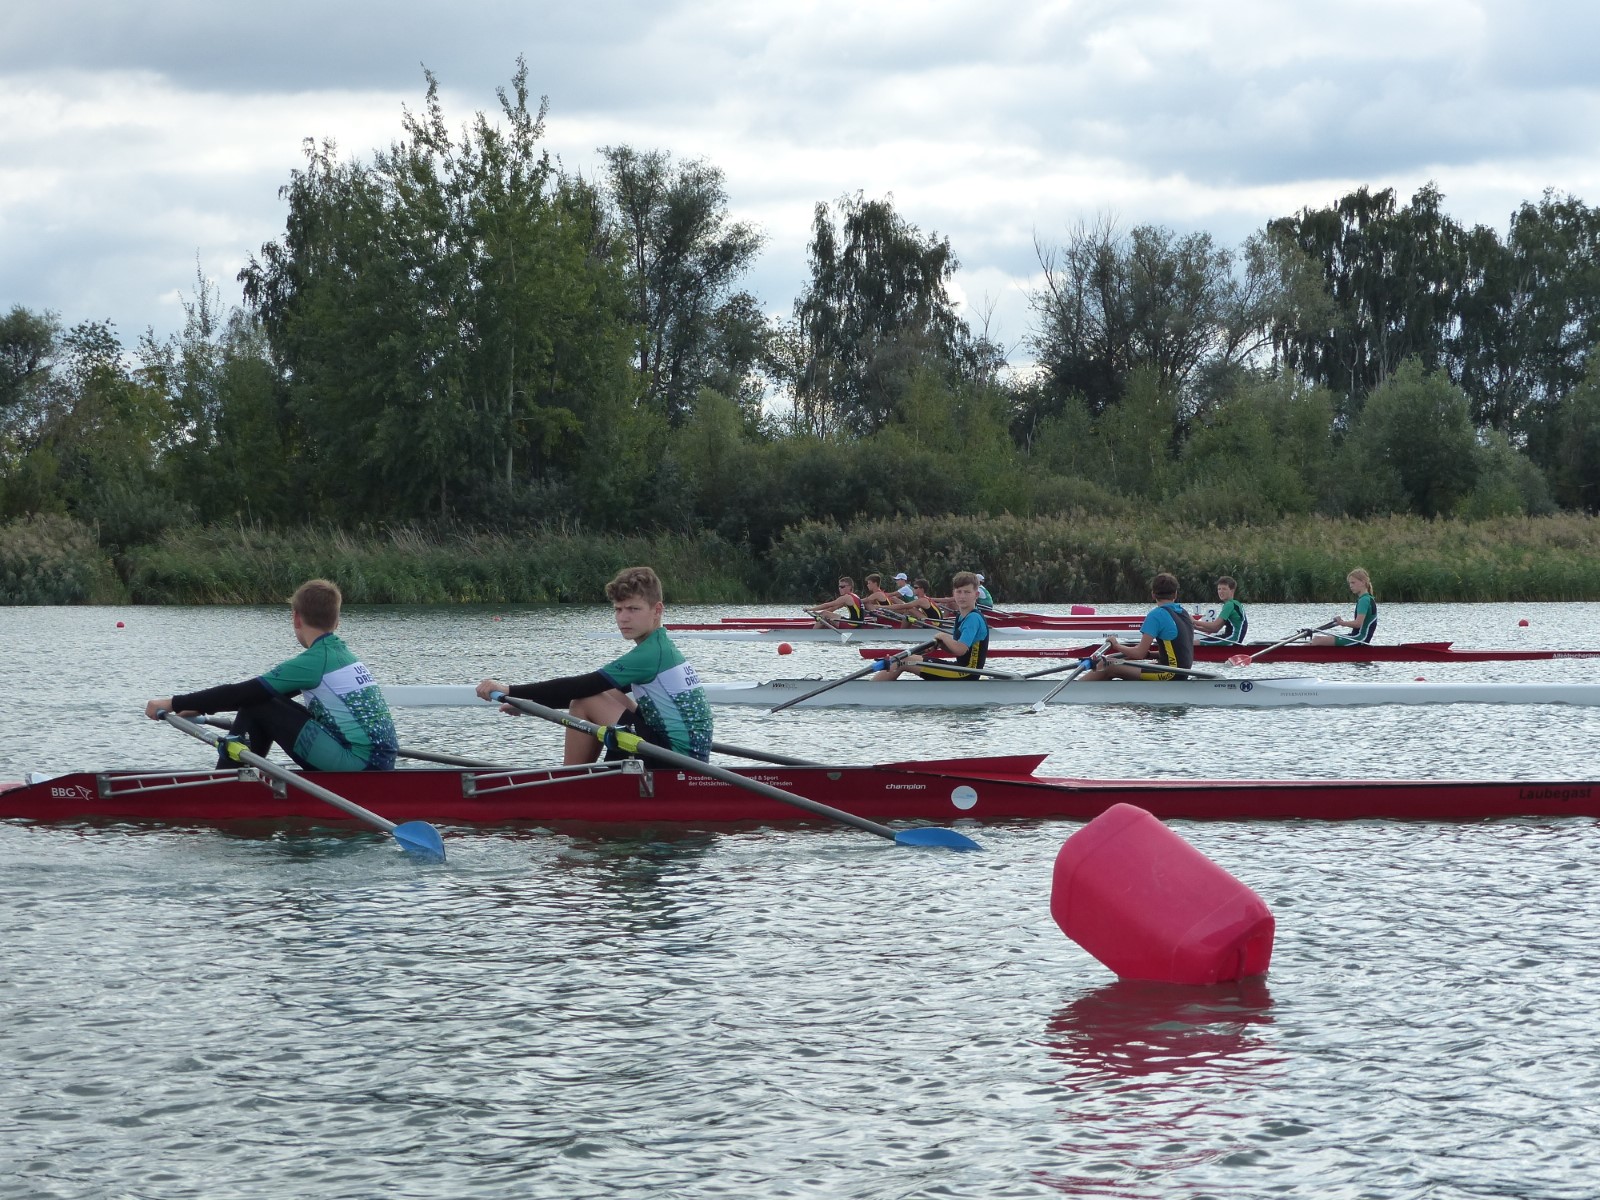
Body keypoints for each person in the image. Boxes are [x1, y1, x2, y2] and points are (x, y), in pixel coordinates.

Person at [143, 578, 398, 771]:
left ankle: (227, 788)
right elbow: (260, 694)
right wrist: (200, 706)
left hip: (359, 764)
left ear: (296, 619)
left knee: (257, 703)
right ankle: (237, 779)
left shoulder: (315, 661)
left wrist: (173, 703)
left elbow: (242, 694)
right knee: (260, 700)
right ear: (337, 621)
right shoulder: (342, 654)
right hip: (379, 760)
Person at [476, 565, 713, 766]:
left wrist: (510, 691)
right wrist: (529, 705)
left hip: (676, 760)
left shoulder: (651, 654)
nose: (623, 618)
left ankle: (570, 783)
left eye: (633, 609)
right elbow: (589, 688)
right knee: (608, 691)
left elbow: (582, 687)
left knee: (587, 699)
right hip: (680, 753)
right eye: (618, 609)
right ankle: (581, 780)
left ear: (657, 610)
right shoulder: (662, 647)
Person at [874, 572, 990, 680]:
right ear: (953, 593)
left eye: (967, 592)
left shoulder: (973, 618)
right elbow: (956, 650)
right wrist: (941, 644)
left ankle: (871, 690)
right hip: (960, 668)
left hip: (967, 672)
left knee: (901, 662)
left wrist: (943, 636)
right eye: (959, 592)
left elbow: (960, 650)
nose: (962, 596)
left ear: (976, 595)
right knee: (901, 659)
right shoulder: (961, 616)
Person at [1081, 572, 1195, 681]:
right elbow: (1179, 651)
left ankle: (1074, 689)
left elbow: (1139, 654)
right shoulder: (1184, 613)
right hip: (1182, 672)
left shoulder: (1156, 615)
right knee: (1117, 663)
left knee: (1107, 665)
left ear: (1153, 594)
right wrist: (1150, 654)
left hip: (1170, 674)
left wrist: (1116, 645)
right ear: (1175, 594)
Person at [1313, 568, 1379, 646]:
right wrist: (1341, 622)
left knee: (1317, 640)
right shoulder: (1368, 598)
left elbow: (1358, 624)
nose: (1351, 586)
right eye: (1350, 583)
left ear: (1363, 582)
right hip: (1357, 637)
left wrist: (1341, 623)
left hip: (1359, 639)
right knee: (1317, 639)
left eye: (1353, 582)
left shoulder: (1364, 600)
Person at [1192, 576, 1248, 645]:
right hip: (1232, 638)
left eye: (1224, 589)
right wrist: (1196, 627)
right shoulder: (1236, 603)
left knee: (1193, 643)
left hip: (1232, 640)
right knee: (1195, 642)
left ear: (1232, 591)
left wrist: (1194, 621)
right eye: (1219, 589)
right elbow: (1215, 629)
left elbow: (1214, 626)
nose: (1221, 592)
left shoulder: (1229, 605)